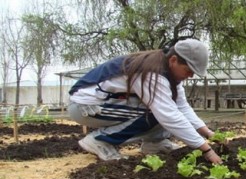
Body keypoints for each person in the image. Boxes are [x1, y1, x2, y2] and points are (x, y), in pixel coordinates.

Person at [67, 38, 222, 164]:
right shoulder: (152, 72)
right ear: (174, 60)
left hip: (109, 104)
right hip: (86, 106)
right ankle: (100, 140)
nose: (191, 76)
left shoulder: (170, 74)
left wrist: (207, 133)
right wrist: (206, 150)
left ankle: (155, 143)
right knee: (157, 112)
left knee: (161, 109)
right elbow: (169, 115)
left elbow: (182, 107)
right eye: (189, 71)